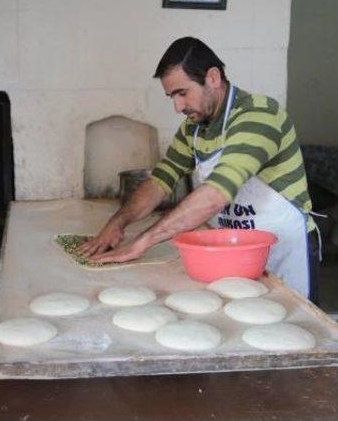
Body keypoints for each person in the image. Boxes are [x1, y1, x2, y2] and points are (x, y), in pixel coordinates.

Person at [79, 37, 320, 303]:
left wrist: (143, 241)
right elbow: (161, 179)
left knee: (288, 327)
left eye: (183, 93)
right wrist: (119, 222)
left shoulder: (259, 116)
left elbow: (217, 193)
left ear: (213, 78)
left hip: (280, 249)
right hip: (228, 248)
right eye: (172, 97)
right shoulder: (193, 129)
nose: (178, 107)